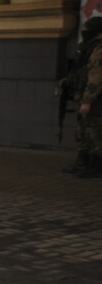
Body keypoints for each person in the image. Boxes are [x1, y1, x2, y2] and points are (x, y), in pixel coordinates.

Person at [59, 16, 102, 176]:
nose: (84, 32)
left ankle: (96, 166)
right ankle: (84, 162)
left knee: (94, 131)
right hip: (87, 96)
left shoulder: (99, 48)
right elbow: (83, 72)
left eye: (87, 29)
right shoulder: (90, 47)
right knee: (84, 130)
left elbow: (96, 76)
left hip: (95, 99)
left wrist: (88, 99)